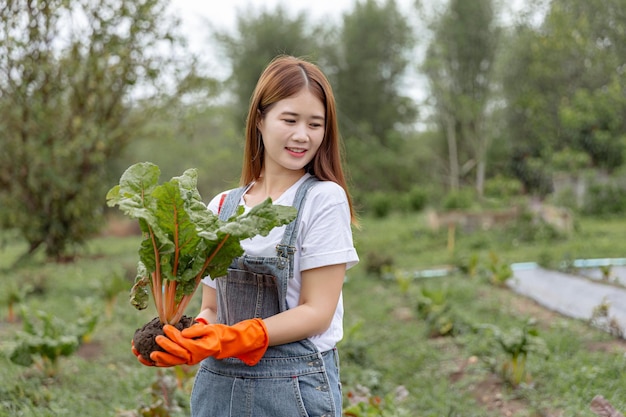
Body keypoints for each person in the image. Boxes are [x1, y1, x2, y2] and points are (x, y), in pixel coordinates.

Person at [133, 55, 359, 416]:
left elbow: (317, 311)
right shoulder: (221, 206)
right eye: (290, 119)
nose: (303, 135)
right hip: (218, 389)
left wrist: (235, 337)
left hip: (292, 388)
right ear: (260, 119)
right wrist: (194, 338)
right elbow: (212, 307)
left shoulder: (322, 198)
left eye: (315, 124)